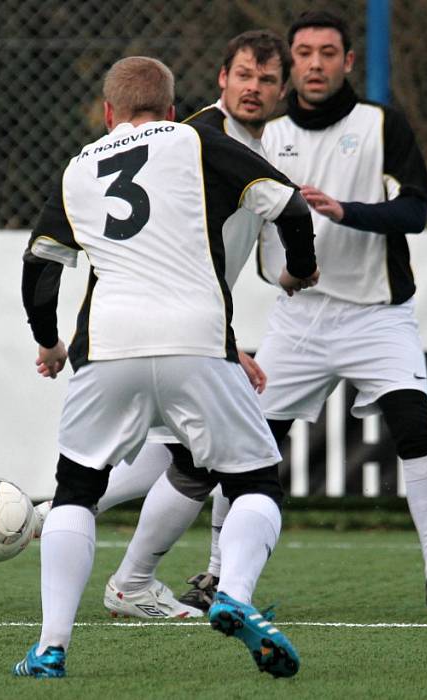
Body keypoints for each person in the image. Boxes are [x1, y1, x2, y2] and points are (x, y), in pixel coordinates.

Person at [14, 55, 318, 680]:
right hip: (195, 338)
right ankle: (232, 588)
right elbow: (290, 208)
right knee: (254, 482)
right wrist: (301, 267)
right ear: (174, 108)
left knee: (76, 490)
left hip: (107, 343)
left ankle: (51, 648)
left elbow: (39, 268)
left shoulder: (80, 165)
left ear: (107, 113)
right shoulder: (197, 141)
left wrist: (48, 340)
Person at [183, 9, 427, 617]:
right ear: (290, 68)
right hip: (300, 320)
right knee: (248, 445)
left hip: (377, 316)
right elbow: (260, 248)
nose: (316, 64)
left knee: (415, 430)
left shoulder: (381, 124)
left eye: (328, 52)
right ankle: (213, 573)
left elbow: (415, 212)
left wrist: (346, 211)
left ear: (346, 61)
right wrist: (285, 274)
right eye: (305, 54)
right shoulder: (267, 136)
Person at [94, 30, 297, 619]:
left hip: (173, 323)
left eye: (264, 79)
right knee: (206, 461)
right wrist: (226, 343)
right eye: (243, 76)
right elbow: (179, 248)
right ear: (221, 79)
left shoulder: (255, 147)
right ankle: (141, 579)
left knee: (181, 457)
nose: (253, 88)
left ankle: (54, 517)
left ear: (279, 89)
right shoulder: (199, 142)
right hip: (170, 325)